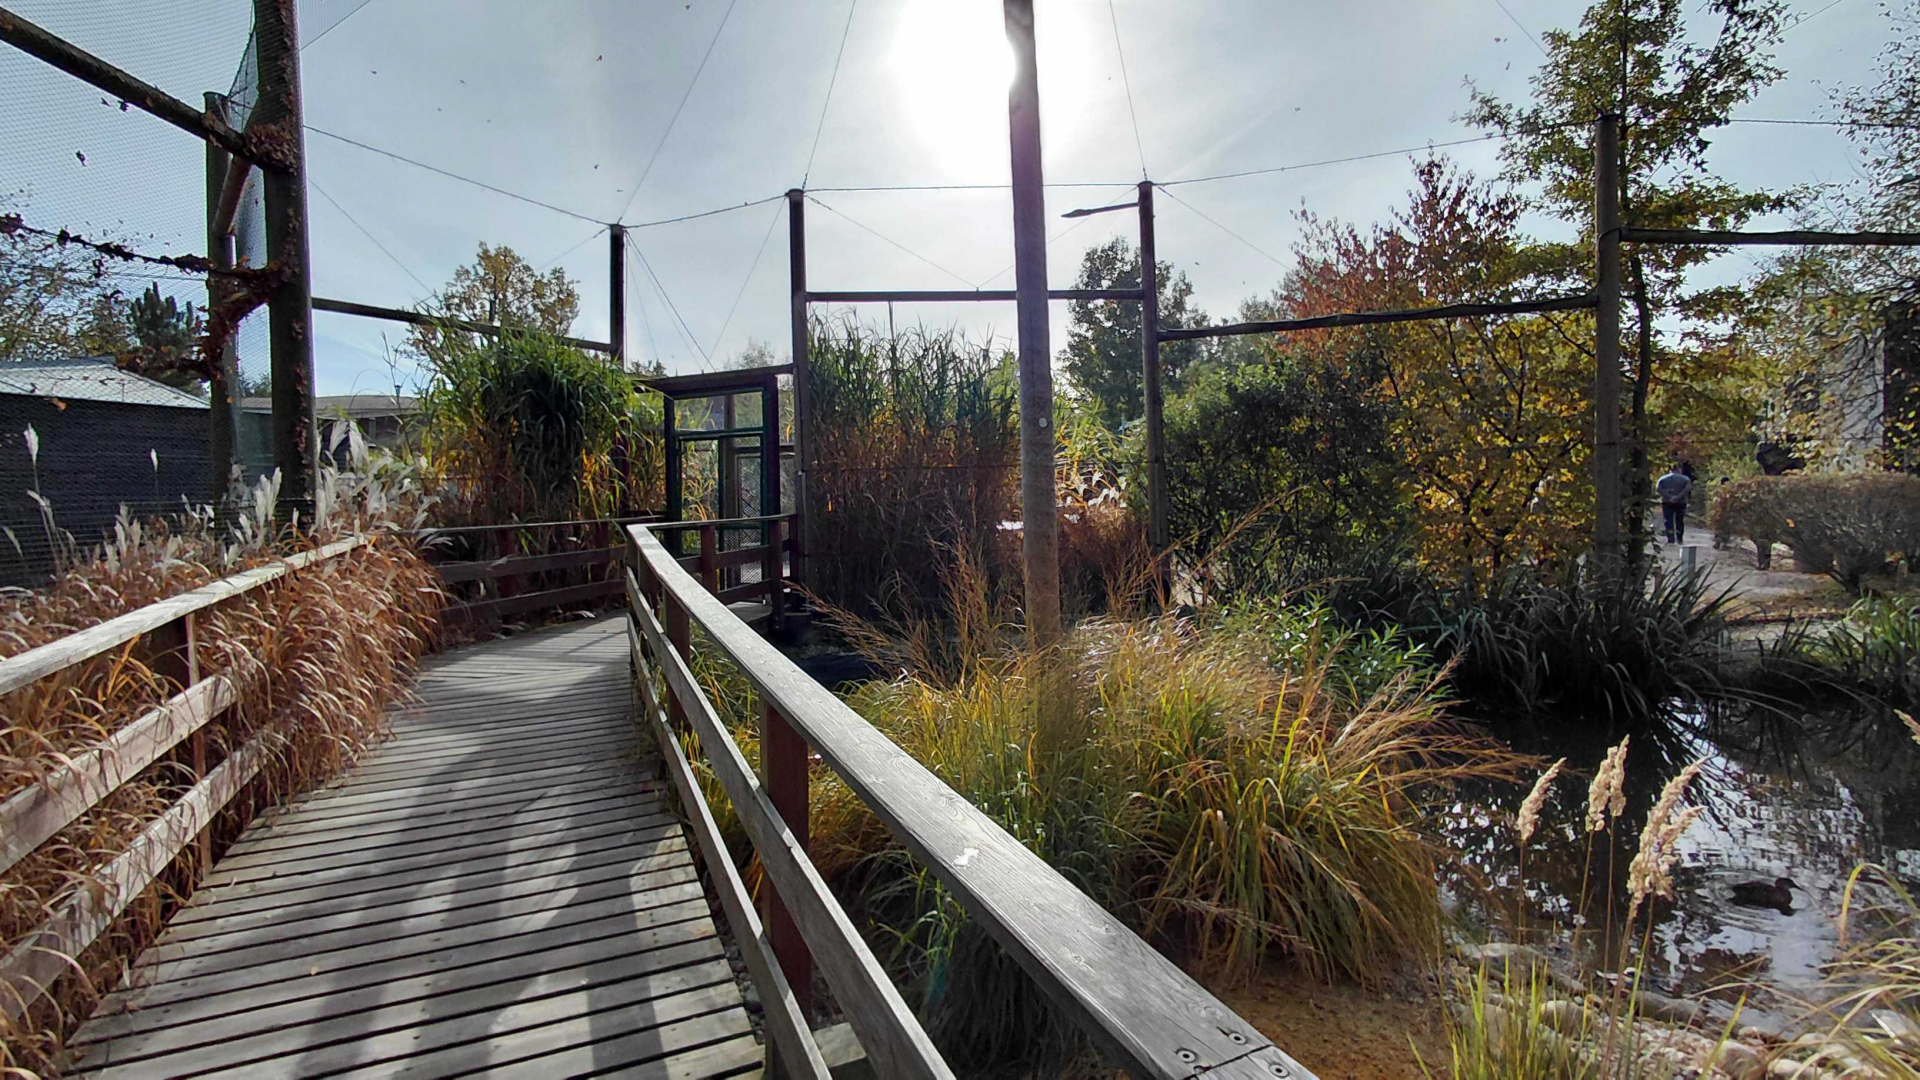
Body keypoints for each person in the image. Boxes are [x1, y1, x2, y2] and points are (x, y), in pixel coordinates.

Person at [1656, 462, 1693, 544]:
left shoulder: (1662, 479)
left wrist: (1669, 497)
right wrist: (1678, 497)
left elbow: (1658, 488)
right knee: (1679, 520)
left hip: (1667, 501)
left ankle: (1670, 538)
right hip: (1681, 502)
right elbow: (1687, 489)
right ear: (1679, 469)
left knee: (1668, 520)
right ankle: (1679, 538)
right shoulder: (1685, 479)